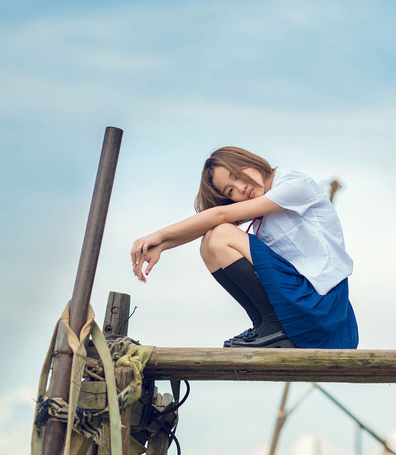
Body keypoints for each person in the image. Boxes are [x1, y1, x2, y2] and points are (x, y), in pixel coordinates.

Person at [130, 146, 358, 349]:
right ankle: (265, 327)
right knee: (209, 245)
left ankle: (274, 327)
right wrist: (163, 245)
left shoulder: (294, 185)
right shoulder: (261, 220)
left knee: (220, 234)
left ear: (249, 161)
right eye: (230, 192)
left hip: (323, 309)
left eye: (237, 175)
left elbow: (220, 215)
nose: (241, 187)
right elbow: (214, 220)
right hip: (304, 305)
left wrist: (159, 236)